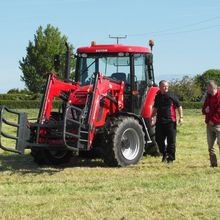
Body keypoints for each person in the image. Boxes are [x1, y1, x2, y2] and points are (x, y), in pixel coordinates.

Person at [151, 80, 183, 163]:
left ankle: (171, 159)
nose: (166, 88)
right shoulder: (157, 97)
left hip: (170, 122)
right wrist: (152, 118)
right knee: (158, 139)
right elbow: (155, 109)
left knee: (171, 141)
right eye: (164, 86)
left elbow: (179, 106)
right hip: (160, 122)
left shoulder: (172, 96)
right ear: (160, 87)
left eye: (167, 86)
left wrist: (181, 117)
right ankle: (164, 153)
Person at [202, 80, 220, 167]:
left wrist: (213, 120)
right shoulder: (208, 96)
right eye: (208, 89)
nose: (208, 90)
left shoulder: (219, 96)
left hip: (218, 124)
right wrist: (205, 110)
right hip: (209, 124)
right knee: (210, 145)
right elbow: (204, 108)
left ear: (214, 87)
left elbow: (219, 111)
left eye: (209, 89)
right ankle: (213, 164)